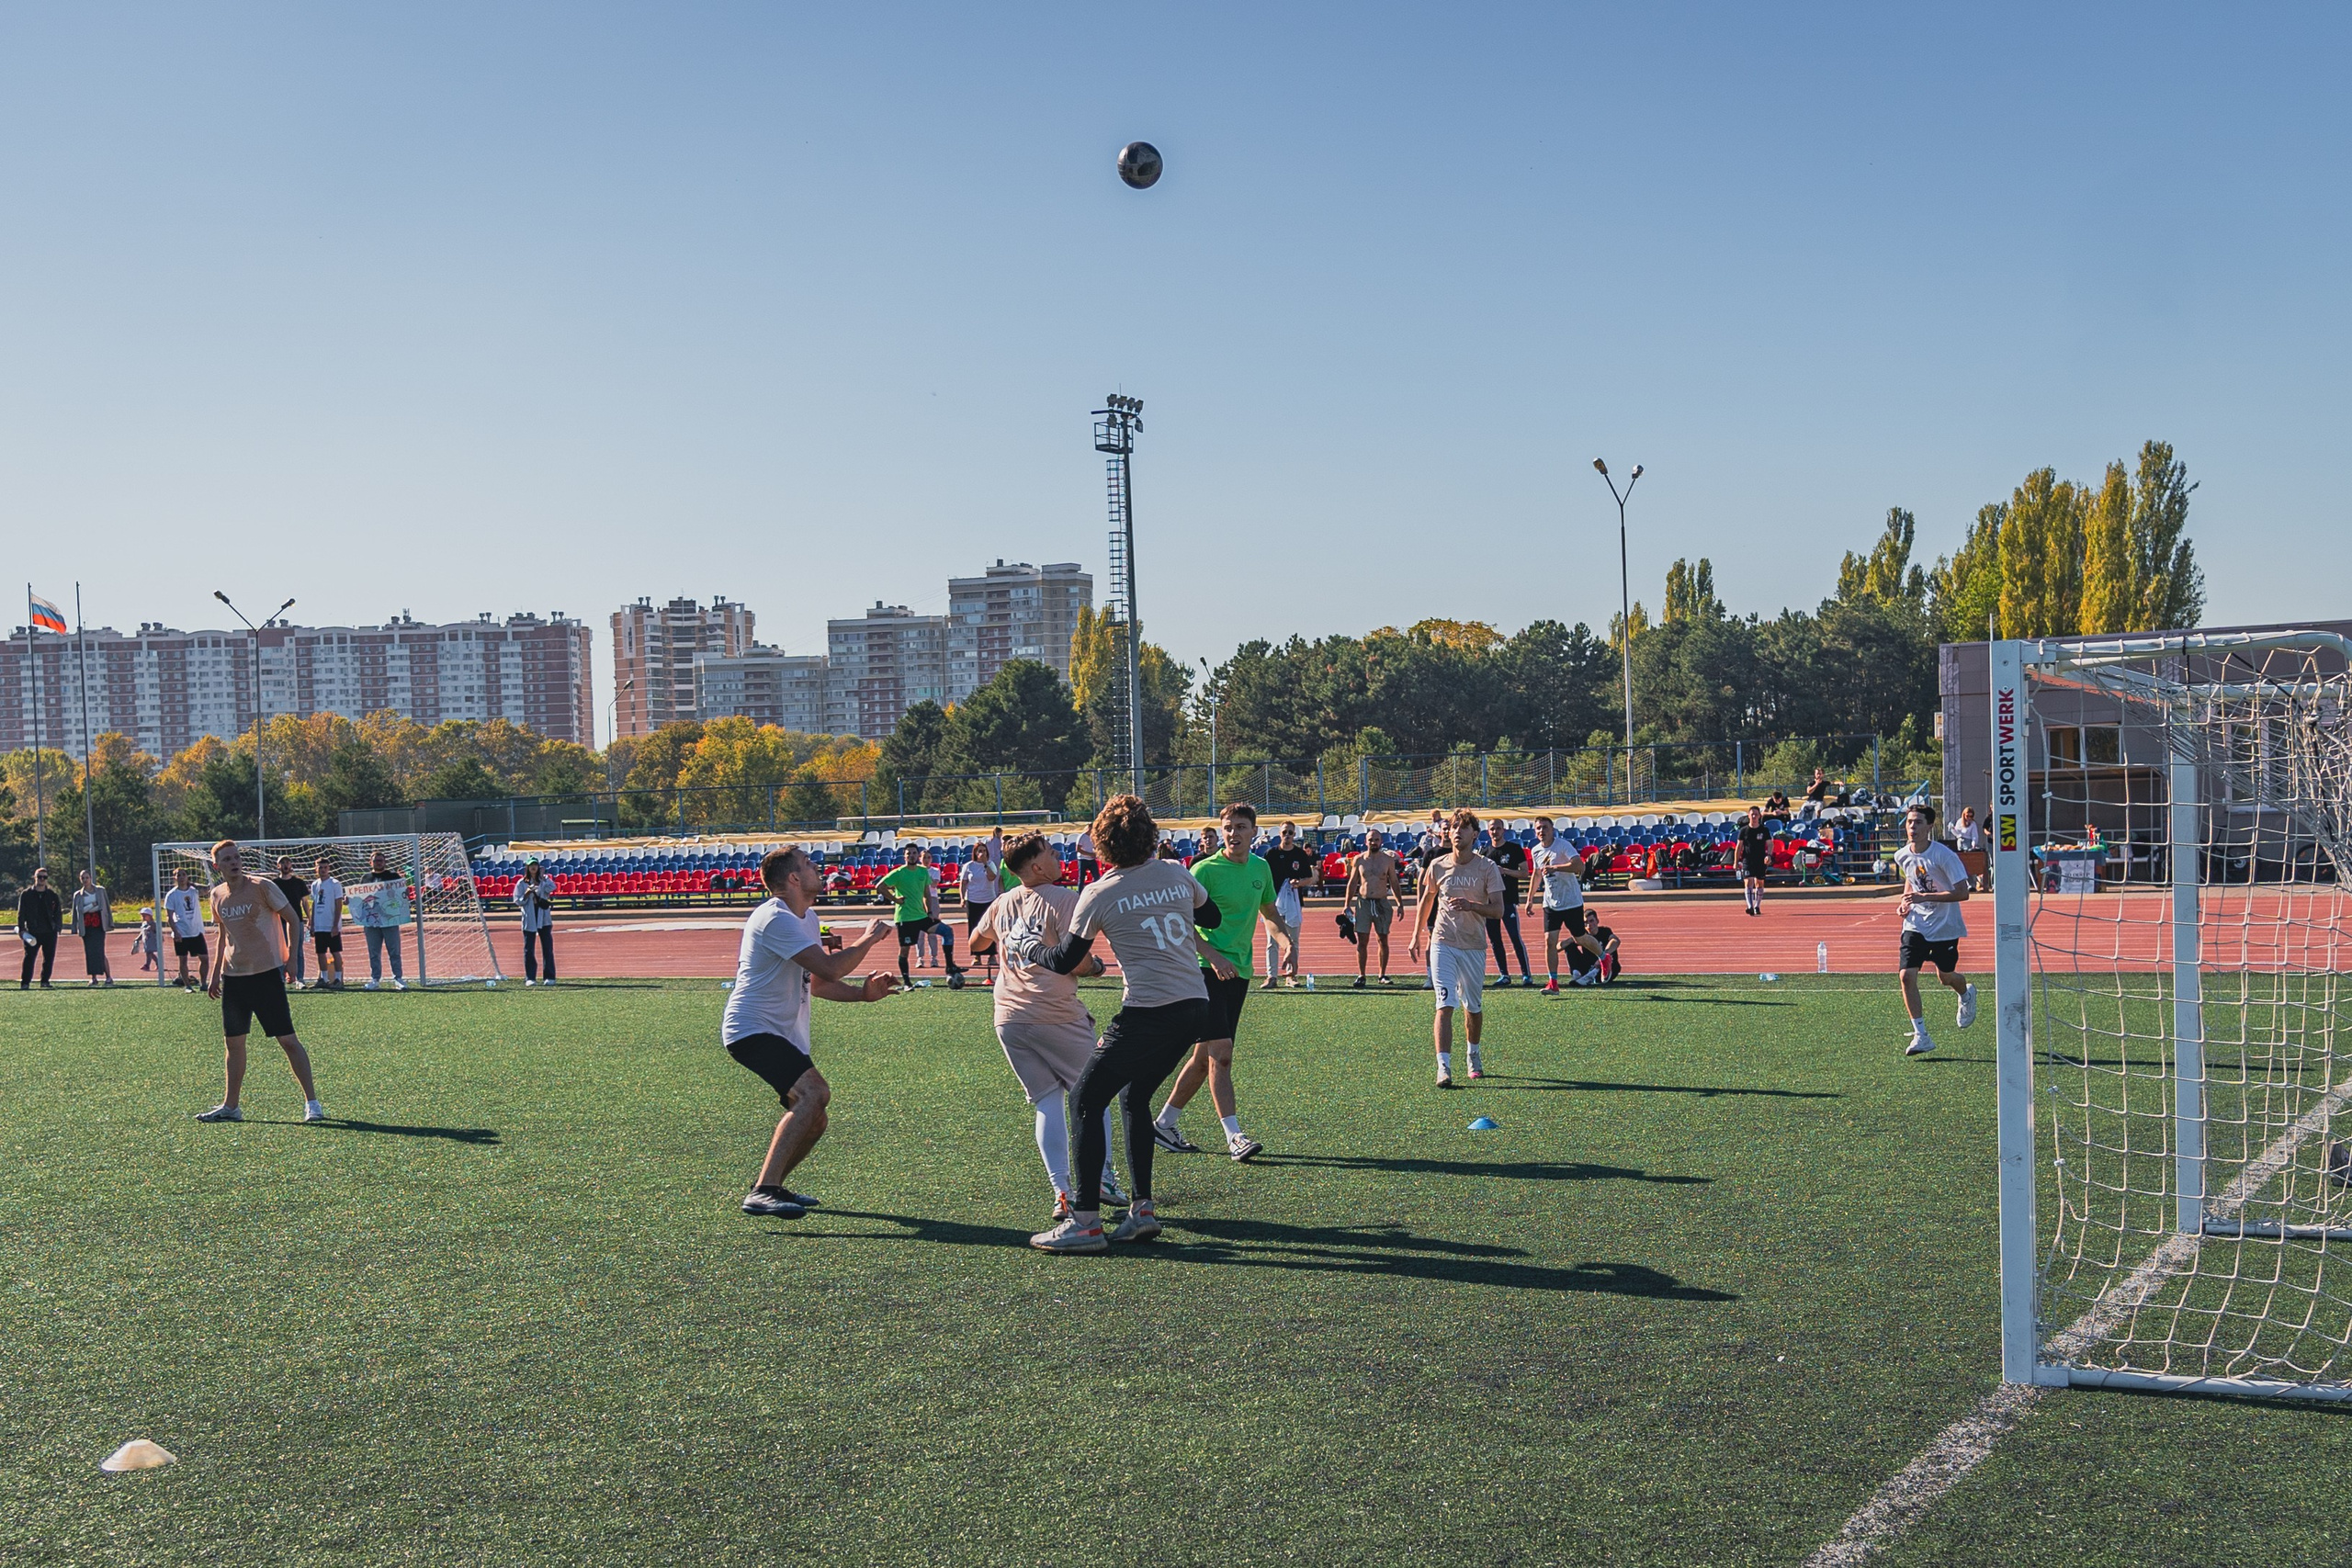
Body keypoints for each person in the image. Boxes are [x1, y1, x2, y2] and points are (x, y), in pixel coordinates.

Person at [1012, 795, 1229, 1252]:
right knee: (1134, 1097)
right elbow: (1212, 916)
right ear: (1150, 837)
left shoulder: (1100, 891)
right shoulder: (1175, 872)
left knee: (1087, 1102)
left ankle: (1086, 1222)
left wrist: (1028, 945)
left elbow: (1065, 959)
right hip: (1195, 1004)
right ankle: (1142, 1210)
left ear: (1102, 846)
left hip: (1149, 1010)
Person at [725, 845, 901, 1217]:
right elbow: (831, 968)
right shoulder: (775, 918)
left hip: (781, 1033)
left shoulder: (805, 916)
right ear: (792, 879)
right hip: (751, 1028)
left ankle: (768, 1186)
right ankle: (764, 1190)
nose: (816, 868)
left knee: (815, 1114)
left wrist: (863, 996)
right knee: (814, 1092)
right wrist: (868, 938)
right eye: (807, 864)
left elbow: (817, 983)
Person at [967, 833, 1127, 1218]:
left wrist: (1009, 936)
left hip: (1008, 1016)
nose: (1059, 858)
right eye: (1051, 853)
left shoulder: (1004, 902)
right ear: (1037, 866)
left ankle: (1062, 1192)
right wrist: (1099, 967)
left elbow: (975, 943)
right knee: (1095, 1093)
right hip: (1054, 1012)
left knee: (1046, 1101)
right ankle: (1103, 1177)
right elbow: (1076, 961)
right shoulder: (1064, 898)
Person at [1153, 801, 1283, 1162]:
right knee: (1222, 1053)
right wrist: (1213, 955)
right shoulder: (1204, 870)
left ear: (1254, 832)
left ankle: (1163, 1124)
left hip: (1238, 971)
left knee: (1203, 1057)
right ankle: (1234, 1136)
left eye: (1241, 827)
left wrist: (1286, 943)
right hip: (1204, 969)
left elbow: (1269, 912)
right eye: (1228, 827)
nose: (1233, 833)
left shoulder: (1261, 867)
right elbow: (1179, 922)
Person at [195, 840, 325, 1124]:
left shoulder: (263, 886)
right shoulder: (217, 895)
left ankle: (312, 1103)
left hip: (266, 976)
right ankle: (231, 1106)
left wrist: (291, 959)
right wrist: (215, 973)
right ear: (218, 866)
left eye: (237, 857)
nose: (234, 862)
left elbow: (293, 919)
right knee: (234, 1043)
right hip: (234, 980)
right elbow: (222, 935)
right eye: (227, 859)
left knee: (288, 1039)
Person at [1407, 809, 1507, 1087]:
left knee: (1472, 1007)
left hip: (1474, 945)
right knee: (1445, 1004)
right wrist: (1416, 935)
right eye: (1453, 827)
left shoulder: (1487, 867)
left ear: (1474, 834)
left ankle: (1473, 1055)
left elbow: (1498, 910)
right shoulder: (1437, 865)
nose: (1456, 832)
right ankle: (1443, 1067)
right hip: (1443, 942)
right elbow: (1427, 901)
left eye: (1463, 828)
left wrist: (1472, 906)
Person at [1894, 803, 1976, 1057]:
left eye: (1918, 822)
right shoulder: (1901, 855)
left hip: (1945, 927)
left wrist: (1924, 896)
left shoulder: (1944, 856)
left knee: (1946, 977)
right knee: (1906, 976)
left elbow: (1963, 893)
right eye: (1909, 822)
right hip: (1916, 924)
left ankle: (1965, 993)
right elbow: (1911, 878)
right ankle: (1921, 1035)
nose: (1912, 827)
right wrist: (1905, 902)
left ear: (1930, 826)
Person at [1529, 816, 1601, 993]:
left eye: (1545, 827)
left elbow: (1579, 867)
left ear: (1552, 829)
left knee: (1580, 938)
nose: (1541, 831)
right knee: (1549, 941)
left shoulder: (1563, 845)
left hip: (1571, 902)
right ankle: (1553, 982)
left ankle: (1603, 957)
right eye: (1538, 828)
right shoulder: (1536, 850)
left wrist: (1556, 868)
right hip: (1551, 903)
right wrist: (1530, 898)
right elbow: (1537, 874)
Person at [877, 844, 964, 988]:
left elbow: (927, 894)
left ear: (918, 856)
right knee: (905, 950)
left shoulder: (923, 872)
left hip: (922, 917)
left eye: (914, 853)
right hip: (905, 918)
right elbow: (880, 887)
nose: (911, 856)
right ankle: (907, 982)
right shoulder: (899, 873)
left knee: (947, 931)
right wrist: (896, 900)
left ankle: (950, 966)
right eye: (908, 853)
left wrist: (930, 912)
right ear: (904, 856)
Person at [1261, 819, 1315, 989]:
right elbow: (1263, 877)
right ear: (1280, 834)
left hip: (1293, 902)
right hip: (1272, 903)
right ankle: (1271, 976)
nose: (1287, 836)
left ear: (1295, 835)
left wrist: (1298, 882)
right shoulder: (1271, 854)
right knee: (1272, 941)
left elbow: (1309, 878)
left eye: (1290, 833)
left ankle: (1291, 976)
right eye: (1285, 832)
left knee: (1293, 940)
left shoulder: (1300, 855)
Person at [1345, 829, 1402, 986]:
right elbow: (1352, 883)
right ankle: (1361, 975)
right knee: (1362, 940)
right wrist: (1347, 904)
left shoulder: (1387, 860)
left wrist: (1400, 904)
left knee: (1382, 939)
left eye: (1376, 840)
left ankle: (1382, 974)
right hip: (1363, 902)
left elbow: (1394, 883)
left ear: (1381, 841)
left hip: (1381, 902)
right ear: (1366, 842)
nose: (1373, 843)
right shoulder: (1359, 860)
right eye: (1370, 840)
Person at [353, 850, 411, 990]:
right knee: (373, 951)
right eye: (376, 860)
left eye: (381, 860)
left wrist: (405, 892)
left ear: (385, 862)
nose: (378, 862)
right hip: (371, 921)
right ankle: (375, 979)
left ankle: (398, 978)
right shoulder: (365, 878)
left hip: (390, 920)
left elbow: (401, 894)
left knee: (394, 950)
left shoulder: (393, 876)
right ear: (370, 862)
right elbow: (360, 897)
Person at [960, 831, 1012, 985]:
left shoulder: (991, 865)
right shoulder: (968, 866)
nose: (981, 853)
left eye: (983, 851)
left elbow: (992, 877)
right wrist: (962, 898)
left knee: (990, 928)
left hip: (988, 900)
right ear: (974, 853)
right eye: (979, 851)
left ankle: (991, 955)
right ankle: (976, 955)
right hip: (973, 900)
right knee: (974, 928)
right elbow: (963, 883)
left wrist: (985, 864)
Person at [1484, 824, 1532, 987]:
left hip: (1508, 900)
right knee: (1495, 940)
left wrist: (1504, 871)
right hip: (1490, 903)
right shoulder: (1484, 852)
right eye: (1492, 829)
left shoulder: (1514, 849)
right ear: (1488, 831)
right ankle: (1504, 974)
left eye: (1498, 828)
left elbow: (1525, 873)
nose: (1495, 831)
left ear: (1503, 830)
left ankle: (1526, 975)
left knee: (1514, 937)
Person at [164, 865, 209, 990]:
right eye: (178, 875)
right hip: (182, 933)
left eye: (183, 874)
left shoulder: (194, 890)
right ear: (175, 878)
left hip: (196, 931)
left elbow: (207, 890)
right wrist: (176, 932)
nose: (181, 877)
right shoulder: (172, 895)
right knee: (183, 960)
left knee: (204, 958)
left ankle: (203, 983)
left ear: (187, 877)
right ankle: (188, 986)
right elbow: (169, 916)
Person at [269, 855, 311, 989]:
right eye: (282, 863)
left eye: (287, 862)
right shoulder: (274, 883)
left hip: (296, 921)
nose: (285, 865)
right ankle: (280, 977)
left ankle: (300, 978)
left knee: (297, 950)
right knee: (280, 950)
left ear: (291, 865)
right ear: (278, 866)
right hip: (279, 921)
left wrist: (309, 919)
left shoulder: (299, 883)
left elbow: (305, 902)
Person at [17, 866, 62, 989]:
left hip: (49, 932)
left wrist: (57, 927)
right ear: (35, 878)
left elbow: (58, 912)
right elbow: (21, 913)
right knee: (29, 958)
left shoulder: (52, 895)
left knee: (49, 958)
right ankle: (25, 982)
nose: (42, 879)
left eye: (44, 877)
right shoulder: (26, 894)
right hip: (33, 931)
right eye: (39, 877)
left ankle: (45, 981)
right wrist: (22, 929)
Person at [514, 859, 557, 986]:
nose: (533, 867)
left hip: (543, 917)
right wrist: (527, 894)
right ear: (527, 868)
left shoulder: (544, 880)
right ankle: (530, 977)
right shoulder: (521, 883)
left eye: (535, 865)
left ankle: (549, 976)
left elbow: (552, 887)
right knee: (529, 949)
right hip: (530, 917)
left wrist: (544, 877)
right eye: (531, 865)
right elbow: (517, 901)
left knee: (547, 948)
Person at [308, 857, 347, 990]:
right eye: (320, 867)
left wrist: (335, 924)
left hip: (331, 924)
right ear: (316, 869)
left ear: (329, 868)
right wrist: (311, 922)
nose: (322, 870)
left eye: (325, 867)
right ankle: (323, 979)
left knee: (335, 951)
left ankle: (337, 978)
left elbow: (338, 904)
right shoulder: (314, 884)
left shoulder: (335, 884)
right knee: (320, 952)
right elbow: (314, 903)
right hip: (319, 924)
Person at [72, 868, 114, 987]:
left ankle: (109, 977)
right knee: (90, 952)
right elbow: (78, 911)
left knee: (100, 951)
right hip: (86, 927)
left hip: (99, 926)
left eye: (87, 877)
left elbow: (103, 907)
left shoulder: (100, 891)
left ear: (91, 878)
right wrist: (91, 906)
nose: (85, 880)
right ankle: (93, 978)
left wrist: (109, 922)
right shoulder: (78, 895)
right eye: (83, 878)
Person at [1737, 805, 1772, 917]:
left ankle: (1757, 905)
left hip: (1760, 859)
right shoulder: (1743, 830)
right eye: (1752, 814)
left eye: (1756, 814)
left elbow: (1770, 844)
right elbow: (1739, 846)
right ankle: (1749, 906)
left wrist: (1769, 855)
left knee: (1759, 883)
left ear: (1759, 816)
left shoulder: (1764, 830)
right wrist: (1735, 861)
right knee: (1748, 882)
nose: (1754, 816)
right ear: (1748, 815)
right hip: (1748, 859)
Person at [1953, 806, 1990, 891]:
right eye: (1967, 816)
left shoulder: (1973, 824)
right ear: (1964, 815)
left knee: (1970, 865)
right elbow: (1956, 832)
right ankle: (1963, 884)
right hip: (1960, 843)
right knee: (1961, 865)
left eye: (1971, 816)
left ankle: (1972, 885)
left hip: (1968, 843)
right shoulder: (1959, 822)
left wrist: (1973, 844)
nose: (1969, 818)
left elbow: (1974, 836)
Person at [131, 907, 162, 976]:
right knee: (149, 953)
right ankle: (158, 964)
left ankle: (147, 965)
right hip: (146, 941)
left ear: (150, 916)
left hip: (152, 940)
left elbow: (157, 932)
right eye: (142, 916)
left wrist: (160, 938)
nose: (143, 917)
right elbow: (142, 932)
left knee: (149, 953)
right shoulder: (144, 924)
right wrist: (138, 938)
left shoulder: (153, 924)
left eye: (145, 915)